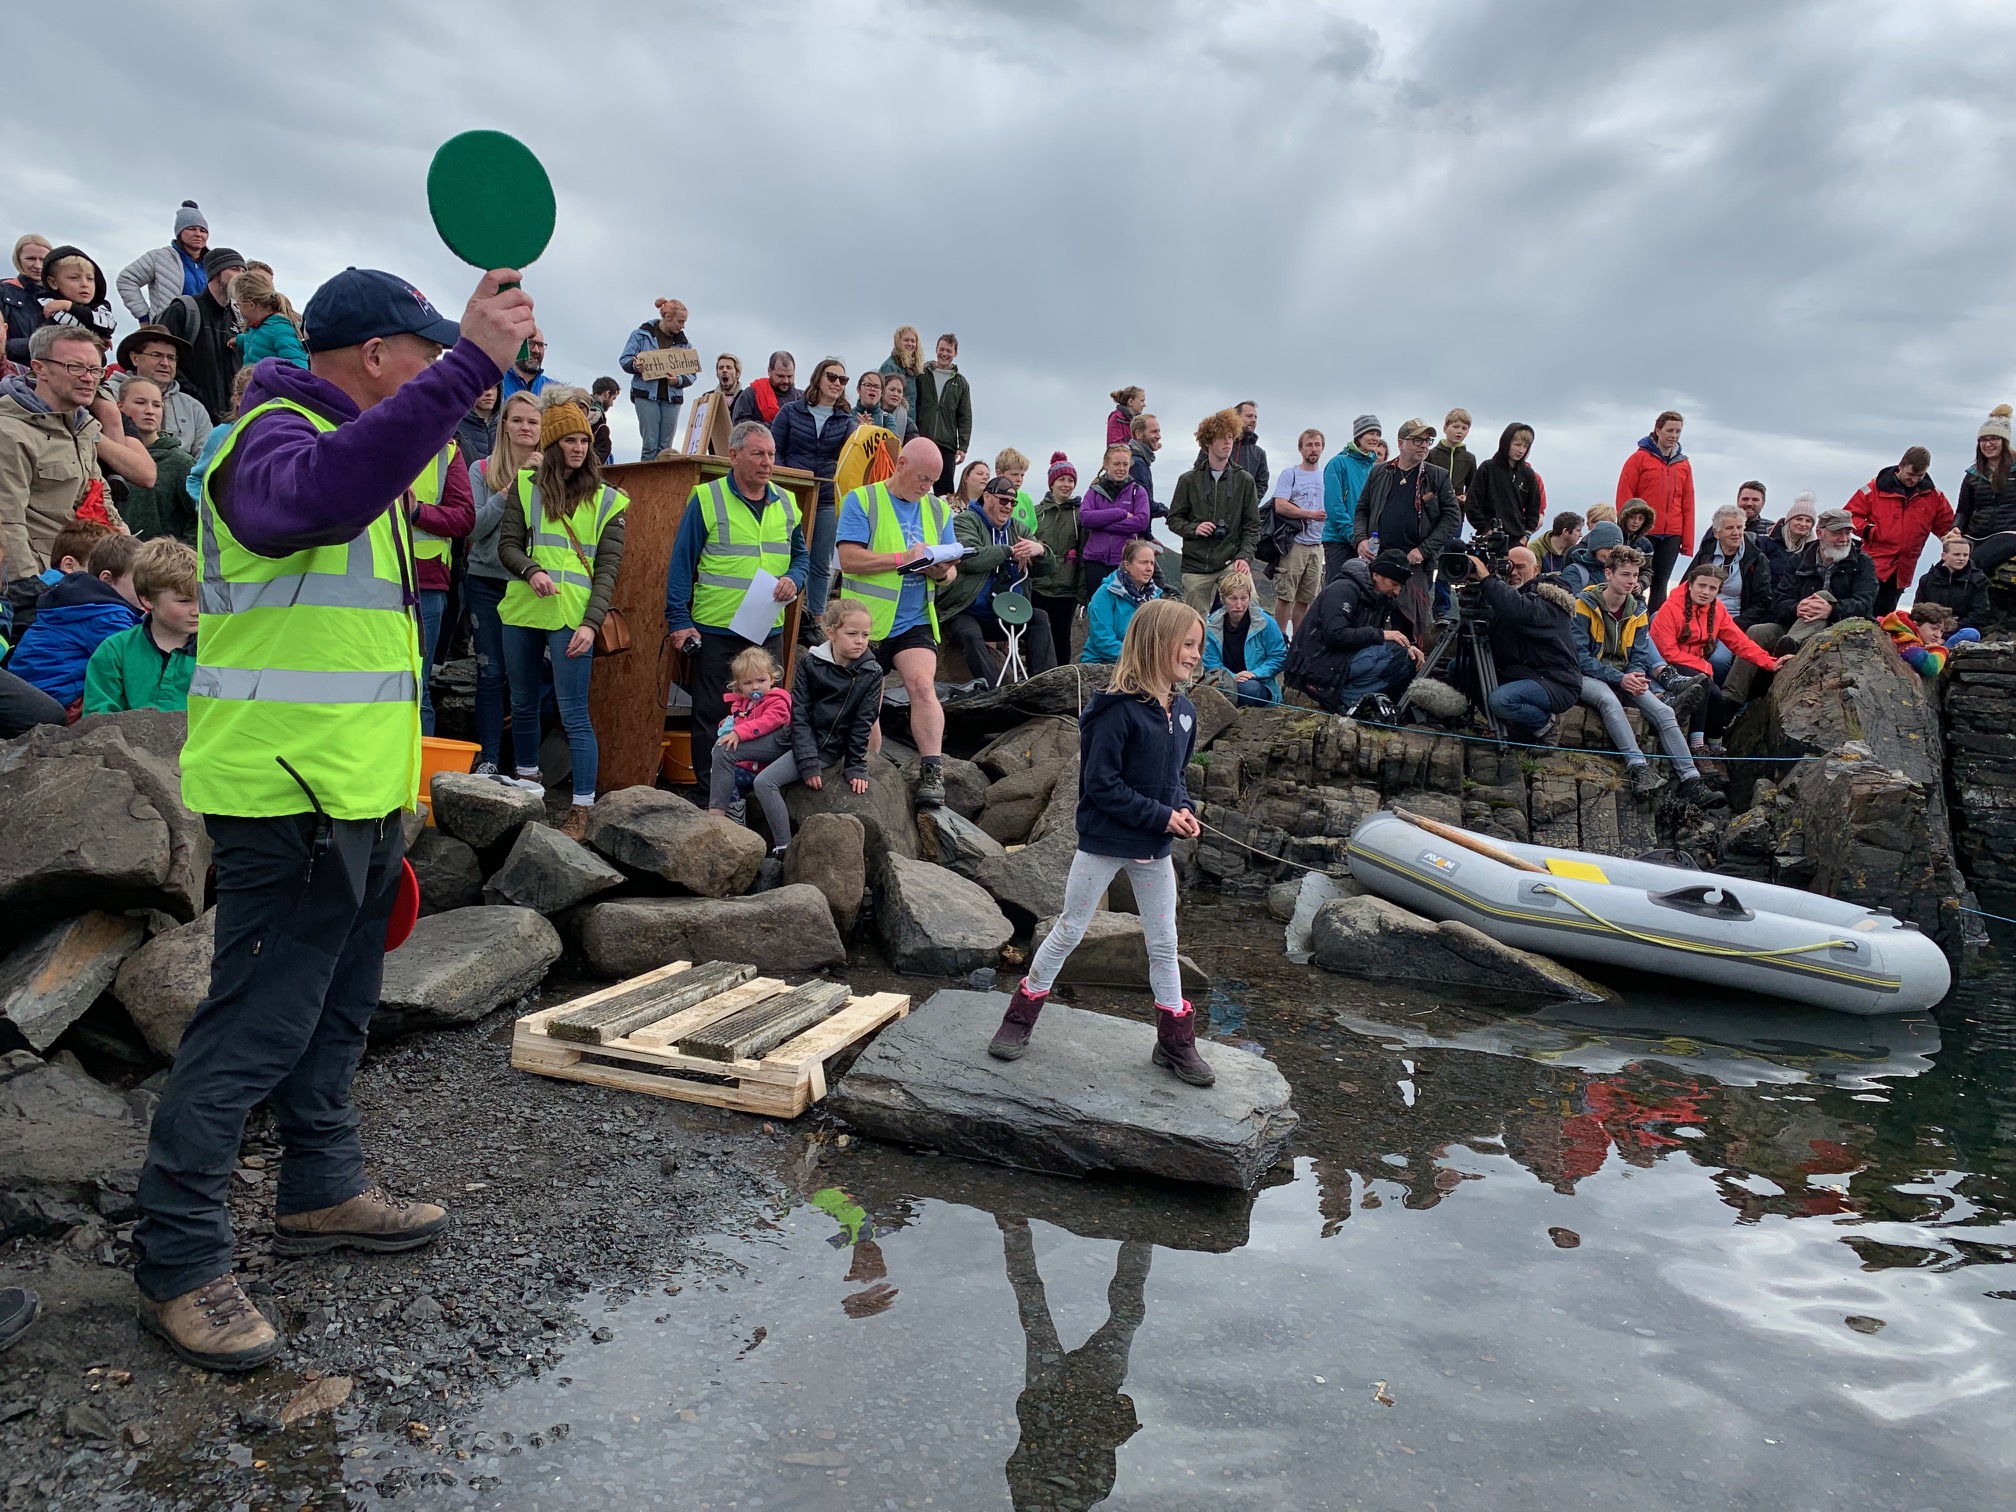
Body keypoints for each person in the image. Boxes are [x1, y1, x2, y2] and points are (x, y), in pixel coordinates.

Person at [132, 264, 531, 1373]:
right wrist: (472, 365)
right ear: (378, 357)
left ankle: (321, 1188)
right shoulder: (260, 438)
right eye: (426, 350)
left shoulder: (349, 444)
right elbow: (308, 502)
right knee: (252, 1025)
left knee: (339, 1008)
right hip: (284, 795)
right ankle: (177, 1261)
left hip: (351, 794)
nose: (439, 369)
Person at [987, 597, 1213, 1087]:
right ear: (1157, 644)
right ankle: (1019, 1018)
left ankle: (1175, 1040)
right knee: (1069, 929)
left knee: (1164, 942)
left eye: (1199, 646)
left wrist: (1185, 811)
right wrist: (1162, 815)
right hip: (1105, 841)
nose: (1196, 654)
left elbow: (1175, 779)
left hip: (1154, 848)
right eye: (1188, 644)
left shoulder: (1187, 712)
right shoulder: (1114, 712)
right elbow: (1102, 786)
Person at [497, 399, 627, 836]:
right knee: (521, 702)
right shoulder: (526, 485)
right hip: (523, 608)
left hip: (573, 616)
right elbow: (508, 546)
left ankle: (582, 807)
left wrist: (591, 624)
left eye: (584, 441)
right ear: (553, 445)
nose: (578, 448)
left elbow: (608, 572)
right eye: (569, 440)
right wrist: (530, 570)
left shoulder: (609, 501)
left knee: (574, 711)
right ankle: (528, 782)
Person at [665, 420, 809, 780]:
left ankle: (750, 791)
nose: (767, 462)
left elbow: (803, 558)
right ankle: (709, 796)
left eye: (771, 454)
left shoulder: (788, 502)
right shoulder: (707, 498)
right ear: (733, 456)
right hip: (716, 626)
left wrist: (794, 579)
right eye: (758, 453)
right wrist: (679, 620)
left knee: (768, 714)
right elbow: (682, 562)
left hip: (766, 627)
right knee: (713, 714)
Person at [835, 436, 958, 805]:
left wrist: (939, 571)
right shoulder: (862, 500)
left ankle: (932, 773)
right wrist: (901, 559)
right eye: (922, 477)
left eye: (933, 481)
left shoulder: (938, 510)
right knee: (867, 701)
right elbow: (849, 560)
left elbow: (950, 573)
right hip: (865, 624)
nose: (926, 487)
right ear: (900, 464)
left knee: (923, 686)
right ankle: (867, 773)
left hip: (914, 618)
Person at [1, 325, 132, 627]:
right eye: (75, 367)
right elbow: (6, 520)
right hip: (35, 591)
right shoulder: (9, 432)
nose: (88, 378)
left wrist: (125, 551)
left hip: (78, 578)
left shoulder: (84, 427)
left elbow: (98, 493)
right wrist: (28, 588)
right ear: (39, 368)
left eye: (95, 369)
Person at [1571, 545, 1719, 804]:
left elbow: (1640, 654)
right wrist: (1621, 679)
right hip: (1588, 675)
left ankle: (1692, 780)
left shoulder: (1638, 610)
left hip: (1624, 675)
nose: (1631, 581)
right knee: (1609, 700)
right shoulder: (1583, 605)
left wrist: (1636, 675)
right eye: (1625, 575)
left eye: (1635, 575)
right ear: (1608, 573)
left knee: (1664, 712)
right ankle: (1638, 767)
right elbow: (1580, 658)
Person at [466, 391, 541, 775]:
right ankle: (489, 758)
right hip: (485, 580)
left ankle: (526, 764)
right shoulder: (480, 470)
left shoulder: (550, 473)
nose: (525, 427)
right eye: (517, 420)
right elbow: (473, 527)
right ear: (504, 426)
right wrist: (508, 492)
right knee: (490, 672)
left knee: (525, 676)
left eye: (533, 421)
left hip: (529, 585)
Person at [1651, 562, 1783, 752]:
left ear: (1719, 590)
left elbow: (1739, 642)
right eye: (1701, 585)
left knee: (1718, 698)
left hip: (1696, 666)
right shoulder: (1669, 609)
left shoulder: (1718, 610)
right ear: (1690, 585)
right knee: (1705, 687)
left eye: (1712, 588)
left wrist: (1770, 662)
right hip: (1668, 666)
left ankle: (1715, 745)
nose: (1706, 592)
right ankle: (1698, 747)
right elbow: (1667, 652)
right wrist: (1704, 666)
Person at [938, 474, 1058, 683]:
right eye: (1003, 500)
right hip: (965, 610)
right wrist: (1008, 551)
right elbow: (969, 557)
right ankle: (994, 692)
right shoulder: (965, 521)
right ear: (987, 497)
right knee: (969, 633)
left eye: (1013, 502)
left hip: (1007, 613)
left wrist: (1040, 550)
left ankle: (1044, 685)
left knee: (1040, 618)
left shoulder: (1018, 528)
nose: (1008, 506)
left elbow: (1047, 568)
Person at [781, 597, 883, 836]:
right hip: (802, 741)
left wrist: (856, 765)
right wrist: (807, 761)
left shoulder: (872, 672)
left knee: (765, 782)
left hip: (830, 749)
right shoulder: (810, 662)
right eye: (852, 634)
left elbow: (862, 723)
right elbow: (800, 713)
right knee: (731, 754)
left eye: (865, 635)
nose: (860, 641)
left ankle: (782, 845)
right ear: (831, 633)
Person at [8, 532, 143, 708]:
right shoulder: (106, 614)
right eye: (139, 580)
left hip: (32, 691)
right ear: (107, 579)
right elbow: (133, 667)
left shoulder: (78, 601)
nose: (146, 587)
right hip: (59, 699)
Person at [1351, 417, 1459, 635]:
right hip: (1378, 559)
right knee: (1370, 623)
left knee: (1410, 625)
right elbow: (1362, 509)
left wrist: (1425, 550)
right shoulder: (1379, 472)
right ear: (1401, 443)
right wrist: (1361, 539)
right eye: (1418, 440)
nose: (1424, 446)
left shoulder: (1437, 476)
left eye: (1427, 441)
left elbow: (1452, 517)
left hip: (1414, 563)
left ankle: (1410, 666)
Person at [1284, 547, 1421, 717]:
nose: (1397, 591)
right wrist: (1382, 635)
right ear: (1377, 575)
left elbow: (1367, 636)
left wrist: (1406, 645)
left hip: (1341, 658)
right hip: (1316, 663)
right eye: (1394, 584)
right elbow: (1336, 635)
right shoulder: (1342, 589)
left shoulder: (1378, 597)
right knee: (1395, 653)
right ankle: (1347, 700)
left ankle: (1357, 698)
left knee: (1408, 659)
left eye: (1400, 586)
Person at [770, 357, 857, 623]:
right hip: (791, 494)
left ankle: (816, 617)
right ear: (818, 378)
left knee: (821, 562)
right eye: (832, 377)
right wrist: (790, 478)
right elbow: (775, 450)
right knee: (783, 556)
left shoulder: (847, 421)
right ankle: (778, 610)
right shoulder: (790, 411)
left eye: (843, 380)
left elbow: (853, 459)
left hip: (827, 498)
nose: (837, 384)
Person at [1742, 508, 1880, 674]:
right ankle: (1732, 695)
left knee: (1823, 597)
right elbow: (1779, 602)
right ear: (1820, 533)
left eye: (1847, 533)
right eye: (1837, 533)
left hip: (1841, 625)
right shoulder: (1799, 560)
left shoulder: (1862, 562)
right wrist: (1797, 607)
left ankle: (1791, 644)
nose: (1844, 539)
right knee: (1756, 632)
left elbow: (1865, 602)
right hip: (1798, 623)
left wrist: (1831, 610)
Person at [406, 422, 475, 739]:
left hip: (426, 583)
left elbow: (464, 518)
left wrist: (418, 511)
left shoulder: (447, 452)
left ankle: (422, 782)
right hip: (370, 583)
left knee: (416, 690)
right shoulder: (370, 435)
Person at [1470, 547, 1582, 743]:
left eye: (1520, 567)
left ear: (1536, 569)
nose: (1513, 573)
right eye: (1508, 567)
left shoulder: (1550, 598)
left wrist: (1488, 581)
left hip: (1556, 681)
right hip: (1521, 673)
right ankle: (1508, 727)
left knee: (1502, 700)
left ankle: (1546, 726)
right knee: (1461, 670)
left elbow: (1520, 611)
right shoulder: (1505, 596)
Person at [82, 537, 199, 714]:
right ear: (147, 599)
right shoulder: (114, 650)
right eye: (185, 601)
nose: (197, 610)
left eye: (204, 600)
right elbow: (98, 716)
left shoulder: (217, 651)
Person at [1168, 409, 1260, 611]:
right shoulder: (1188, 480)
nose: (1228, 442)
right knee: (1195, 623)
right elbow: (1173, 519)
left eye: (1230, 436)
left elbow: (1253, 525)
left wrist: (1244, 557)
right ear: (1208, 441)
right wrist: (1195, 528)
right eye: (1221, 437)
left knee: (1247, 608)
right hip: (1195, 565)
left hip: (1230, 560)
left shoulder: (1245, 480)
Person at [1848, 446, 1953, 616]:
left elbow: (1946, 526)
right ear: (1900, 466)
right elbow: (1850, 516)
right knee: (1863, 610)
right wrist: (1870, 531)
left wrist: (1952, 544)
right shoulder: (1873, 489)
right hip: (1874, 562)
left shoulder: (1935, 496)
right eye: (1910, 475)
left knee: (1887, 615)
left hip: (1904, 567)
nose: (1914, 480)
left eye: (1920, 476)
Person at [1614, 409, 1695, 609]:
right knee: (1635, 579)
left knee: (1661, 582)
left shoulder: (1683, 464)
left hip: (1672, 533)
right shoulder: (1639, 459)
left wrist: (1687, 542)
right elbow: (1625, 494)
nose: (1673, 436)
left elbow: (1688, 503)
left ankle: (1656, 627)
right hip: (1643, 530)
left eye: (1677, 431)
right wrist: (1624, 530)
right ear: (1657, 430)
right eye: (1669, 430)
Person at [707, 645, 793, 831]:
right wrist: (728, 725)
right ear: (739, 686)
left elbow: (768, 722)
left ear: (772, 678)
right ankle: (730, 817)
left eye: (761, 680)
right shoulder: (742, 705)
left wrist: (739, 732)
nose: (755, 687)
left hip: (767, 765)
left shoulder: (779, 700)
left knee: (725, 758)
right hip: (745, 765)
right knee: (723, 777)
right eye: (748, 683)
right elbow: (739, 721)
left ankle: (721, 814)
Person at [159, 247, 245, 422]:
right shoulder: (184, 310)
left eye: (244, 271)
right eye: (235, 269)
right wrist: (196, 396)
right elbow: (162, 358)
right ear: (215, 272)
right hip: (189, 417)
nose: (241, 276)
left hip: (230, 419)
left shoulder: (239, 319)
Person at [113, 378, 196, 543]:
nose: (150, 410)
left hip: (162, 564)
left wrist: (179, 557)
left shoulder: (180, 463)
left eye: (157, 405)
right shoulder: (107, 456)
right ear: (120, 407)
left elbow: (199, 517)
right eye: (140, 402)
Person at [1688, 502, 1776, 654]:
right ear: (1717, 533)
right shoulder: (1706, 553)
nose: (1736, 533)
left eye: (1739, 527)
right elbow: (1687, 585)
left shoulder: (1756, 558)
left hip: (1733, 623)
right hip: (1698, 616)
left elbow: (1763, 601)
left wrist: (1736, 625)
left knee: (1719, 660)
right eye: (1729, 528)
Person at [115, 323, 213, 455]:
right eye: (156, 355)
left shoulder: (194, 408)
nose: (165, 363)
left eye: (171, 358)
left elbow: (207, 458)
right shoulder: (111, 394)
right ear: (135, 358)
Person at [619, 298, 695, 462]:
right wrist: (635, 365)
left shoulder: (684, 344)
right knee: (650, 445)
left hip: (671, 398)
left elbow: (692, 373)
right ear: (668, 317)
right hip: (646, 395)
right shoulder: (641, 335)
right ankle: (646, 483)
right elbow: (624, 360)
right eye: (680, 321)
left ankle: (663, 485)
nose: (682, 326)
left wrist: (679, 380)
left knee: (666, 448)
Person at [1269, 427, 1328, 634]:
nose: (1313, 449)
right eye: (1309, 445)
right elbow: (1280, 505)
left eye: (1317, 445)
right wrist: (1309, 515)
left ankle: (1298, 644)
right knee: (1285, 596)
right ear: (1300, 448)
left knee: (1306, 599)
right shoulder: (1290, 474)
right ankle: (1279, 641)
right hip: (1295, 544)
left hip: (1317, 545)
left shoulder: (1326, 476)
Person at [1078, 441, 1154, 600]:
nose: (1121, 468)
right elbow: (1085, 518)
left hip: (1124, 562)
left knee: (1124, 610)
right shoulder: (1094, 491)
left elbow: (1141, 522)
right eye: (1116, 463)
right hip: (1095, 562)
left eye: (1125, 464)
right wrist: (1119, 513)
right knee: (1098, 609)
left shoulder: (1137, 492)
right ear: (1106, 464)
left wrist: (1100, 522)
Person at [115, 202, 212, 323]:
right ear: (179, 233)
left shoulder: (213, 262)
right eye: (191, 229)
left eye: (203, 230)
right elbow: (127, 279)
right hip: (170, 328)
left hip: (207, 330)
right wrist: (144, 317)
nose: (198, 234)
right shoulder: (160, 257)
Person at [1202, 568, 1287, 704]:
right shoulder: (1211, 627)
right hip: (1224, 682)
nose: (1239, 605)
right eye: (1233, 598)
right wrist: (1233, 677)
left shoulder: (1266, 623)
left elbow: (1279, 657)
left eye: (1244, 598)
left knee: (1249, 689)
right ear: (1223, 599)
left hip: (1258, 684)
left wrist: (1254, 674)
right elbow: (1211, 663)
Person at [1029, 453, 1083, 660]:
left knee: (1062, 636)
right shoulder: (1036, 512)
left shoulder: (1080, 514)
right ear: (1052, 482)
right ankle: (1036, 678)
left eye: (1070, 480)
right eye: (1061, 479)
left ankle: (1063, 679)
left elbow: (1084, 550)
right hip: (1039, 585)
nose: (1066, 484)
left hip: (1066, 587)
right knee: (1038, 635)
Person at [1081, 538, 1166, 662]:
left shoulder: (1154, 597)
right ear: (1127, 565)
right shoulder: (1105, 593)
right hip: (1101, 662)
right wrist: (1138, 659)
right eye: (1143, 562)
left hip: (1139, 663)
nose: (1149, 568)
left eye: (1152, 563)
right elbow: (1103, 639)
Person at [1321, 415, 1382, 584]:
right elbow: (1334, 507)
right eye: (1370, 433)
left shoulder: (1375, 468)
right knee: (1337, 593)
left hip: (1366, 544)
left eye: (1378, 434)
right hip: (1339, 541)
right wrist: (1355, 537)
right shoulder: (1338, 463)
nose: (1375, 438)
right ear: (1358, 435)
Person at [1956, 406, 2016, 577]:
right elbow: (1963, 511)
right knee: (1947, 566)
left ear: (2004, 442)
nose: (1988, 444)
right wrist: (1955, 530)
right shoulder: (1973, 475)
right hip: (1975, 534)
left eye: (1994, 439)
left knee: (1974, 564)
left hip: (2009, 532)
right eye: (1983, 440)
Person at [914, 334, 972, 495]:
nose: (944, 354)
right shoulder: (922, 374)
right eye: (941, 349)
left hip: (947, 443)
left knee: (945, 492)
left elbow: (965, 416)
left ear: (955, 354)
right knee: (916, 484)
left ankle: (944, 520)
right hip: (922, 439)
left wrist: (963, 446)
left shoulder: (961, 383)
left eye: (949, 350)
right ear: (936, 350)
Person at [1467, 422, 1544, 540]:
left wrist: (1527, 533)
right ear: (1506, 443)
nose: (1521, 450)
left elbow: (1534, 507)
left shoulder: (1528, 474)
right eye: (1517, 445)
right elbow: (1473, 503)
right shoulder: (1487, 468)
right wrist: (1486, 529)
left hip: (1517, 538)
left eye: (1525, 446)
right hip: (1489, 536)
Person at [35, 245, 119, 351]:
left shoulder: (101, 308)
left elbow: (107, 327)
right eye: (74, 278)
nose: (84, 284)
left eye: (90, 278)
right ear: (53, 283)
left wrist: (70, 307)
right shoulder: (42, 305)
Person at [229, 270, 309, 369]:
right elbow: (259, 343)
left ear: (251, 305)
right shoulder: (260, 326)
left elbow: (297, 366)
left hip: (272, 384)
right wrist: (239, 340)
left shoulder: (281, 329)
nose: (238, 308)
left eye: (238, 304)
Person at [1914, 532, 1989, 632]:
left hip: (1961, 631)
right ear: (1944, 556)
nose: (1962, 559)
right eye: (1957, 554)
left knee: (1971, 633)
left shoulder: (1978, 580)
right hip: (1931, 630)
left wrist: (1954, 627)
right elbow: (1918, 609)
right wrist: (1934, 630)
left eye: (1965, 555)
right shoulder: (1927, 579)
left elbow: (1980, 612)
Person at [1194, 400, 1268, 497]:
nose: (1254, 420)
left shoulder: (1259, 454)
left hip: (1241, 510)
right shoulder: (1215, 445)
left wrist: (1249, 505)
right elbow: (1198, 473)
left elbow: (1261, 484)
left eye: (1255, 417)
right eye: (1249, 416)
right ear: (1236, 417)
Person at [3, 234, 52, 364]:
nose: (37, 265)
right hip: (11, 373)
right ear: (18, 260)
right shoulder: (3, 291)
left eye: (43, 259)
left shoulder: (61, 296)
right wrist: (43, 345)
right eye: (30, 258)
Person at [688, 352, 742, 458]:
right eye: (721, 368)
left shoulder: (746, 397)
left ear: (737, 373)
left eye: (729, 367)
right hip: (715, 456)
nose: (724, 370)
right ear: (717, 374)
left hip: (739, 456)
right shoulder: (708, 397)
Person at [1428, 408, 1477, 513]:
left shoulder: (1469, 458)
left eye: (1464, 428)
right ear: (1445, 428)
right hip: (1432, 511)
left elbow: (1473, 486)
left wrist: (1465, 496)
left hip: (1456, 511)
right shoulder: (1431, 454)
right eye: (1455, 427)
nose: (1459, 431)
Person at [730, 350, 797, 426]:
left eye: (789, 376)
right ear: (769, 371)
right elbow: (740, 426)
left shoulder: (802, 398)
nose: (785, 381)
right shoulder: (751, 395)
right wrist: (777, 427)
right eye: (780, 376)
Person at [1559, 519, 1624, 594]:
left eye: (1616, 550)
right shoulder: (1574, 572)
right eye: (1608, 549)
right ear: (1595, 548)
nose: (1611, 554)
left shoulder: (1621, 572)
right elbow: (1577, 603)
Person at [1762, 492, 1817, 575]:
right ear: (1789, 521)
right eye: (1799, 519)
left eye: (1808, 521)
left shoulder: (1813, 551)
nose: (1803, 524)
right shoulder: (1766, 543)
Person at [497, 328, 555, 401]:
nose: (536, 350)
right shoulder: (496, 383)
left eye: (540, 345)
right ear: (516, 345)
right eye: (530, 343)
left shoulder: (554, 391)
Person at [993, 446, 1040, 532]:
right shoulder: (990, 496)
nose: (1019, 479)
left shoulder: (1026, 499)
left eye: (1022, 475)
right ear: (999, 473)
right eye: (1014, 474)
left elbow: (1032, 529)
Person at [1128, 411, 1163, 517]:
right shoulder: (1137, 463)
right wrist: (1169, 512)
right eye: (1154, 432)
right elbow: (1145, 504)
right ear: (1138, 434)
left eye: (1159, 431)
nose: (1159, 436)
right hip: (1137, 531)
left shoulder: (1140, 459)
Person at [1531, 510, 1583, 574]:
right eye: (1578, 530)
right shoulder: (1536, 548)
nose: (1581, 535)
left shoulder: (1573, 550)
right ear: (1565, 531)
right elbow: (1534, 577)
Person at [875, 370, 919, 443]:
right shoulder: (870, 414)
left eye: (899, 391)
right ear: (882, 391)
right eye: (892, 390)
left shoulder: (908, 424)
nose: (895, 394)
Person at [588, 377, 619, 464]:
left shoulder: (585, 406)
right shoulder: (595, 413)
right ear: (607, 394)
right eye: (613, 398)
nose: (612, 404)